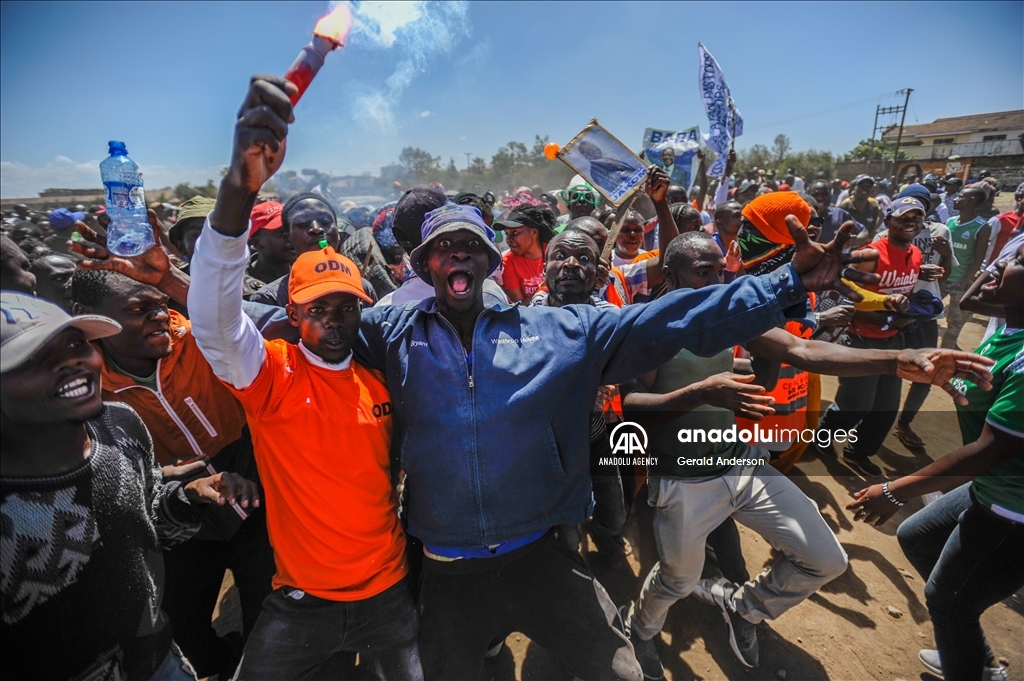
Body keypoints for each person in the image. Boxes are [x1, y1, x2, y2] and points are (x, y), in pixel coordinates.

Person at [198, 73, 893, 681]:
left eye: (471, 245)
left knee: (619, 671)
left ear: (492, 262)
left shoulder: (560, 331)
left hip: (542, 554)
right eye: (443, 248)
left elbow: (673, 317)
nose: (457, 256)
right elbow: (232, 322)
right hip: (447, 568)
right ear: (424, 267)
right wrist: (237, 195)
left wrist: (783, 283)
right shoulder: (388, 332)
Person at [619, 230, 991, 674]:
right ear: (670, 274)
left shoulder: (727, 315)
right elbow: (632, 407)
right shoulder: (649, 325)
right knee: (678, 580)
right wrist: (700, 392)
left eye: (721, 271)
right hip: (683, 478)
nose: (718, 281)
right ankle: (639, 629)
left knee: (826, 559)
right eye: (704, 272)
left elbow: (802, 348)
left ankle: (743, 607)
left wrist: (896, 360)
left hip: (741, 463)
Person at [188, 233, 421, 678]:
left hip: (387, 589)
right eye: (318, 310)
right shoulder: (271, 375)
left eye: (347, 308)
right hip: (302, 600)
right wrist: (231, 213)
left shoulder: (378, 381)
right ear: (292, 314)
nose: (334, 322)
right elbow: (218, 325)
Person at [1, 291, 259, 681]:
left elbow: (145, 517)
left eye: (74, 343)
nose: (71, 361)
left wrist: (187, 497)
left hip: (161, 662)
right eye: (34, 357)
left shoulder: (119, 425)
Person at [848, 244, 1022, 681]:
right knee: (919, 539)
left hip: (1013, 509)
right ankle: (970, 654)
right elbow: (970, 300)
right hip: (994, 487)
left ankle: (971, 664)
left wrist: (895, 490)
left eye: (1019, 260)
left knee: (948, 601)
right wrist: (947, 376)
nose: (1001, 262)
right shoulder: (1011, 329)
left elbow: (990, 450)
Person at [819, 197, 925, 476]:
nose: (911, 223)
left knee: (886, 407)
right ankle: (823, 436)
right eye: (903, 218)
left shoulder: (916, 254)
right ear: (887, 221)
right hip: (860, 339)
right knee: (856, 404)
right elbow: (847, 295)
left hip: (894, 340)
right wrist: (887, 316)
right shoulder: (869, 255)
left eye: (916, 218)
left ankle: (858, 452)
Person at [888, 184, 956, 449]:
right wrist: (916, 272)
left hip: (925, 312)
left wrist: (946, 255)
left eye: (919, 205)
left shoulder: (940, 232)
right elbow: (882, 272)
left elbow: (945, 276)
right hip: (895, 309)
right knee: (888, 369)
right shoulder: (889, 232)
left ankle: (904, 422)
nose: (911, 210)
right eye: (906, 203)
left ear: (926, 208)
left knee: (927, 370)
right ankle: (874, 420)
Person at [380, 184, 507, 308]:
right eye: (444, 244)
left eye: (473, 243)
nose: (460, 254)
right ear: (424, 261)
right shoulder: (492, 294)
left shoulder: (388, 308)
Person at [250, 192, 377, 307]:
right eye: (302, 224)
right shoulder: (270, 299)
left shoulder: (363, 288)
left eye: (325, 221)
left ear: (338, 233)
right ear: (288, 240)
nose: (316, 229)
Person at [941, 185, 991, 349]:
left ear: (972, 201)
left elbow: (978, 259)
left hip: (960, 281)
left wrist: (964, 283)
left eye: (961, 196)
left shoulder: (981, 227)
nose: (956, 199)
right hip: (942, 277)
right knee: (925, 311)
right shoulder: (950, 222)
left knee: (954, 322)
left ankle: (946, 352)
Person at [494, 204, 555, 302]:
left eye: (514, 233)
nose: (509, 239)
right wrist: (543, 289)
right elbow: (521, 306)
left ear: (534, 232)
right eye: (507, 234)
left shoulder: (554, 252)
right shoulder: (508, 263)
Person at [246, 200, 294, 285]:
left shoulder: (310, 270)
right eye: (281, 233)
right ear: (256, 243)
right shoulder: (244, 287)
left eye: (291, 230)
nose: (290, 238)